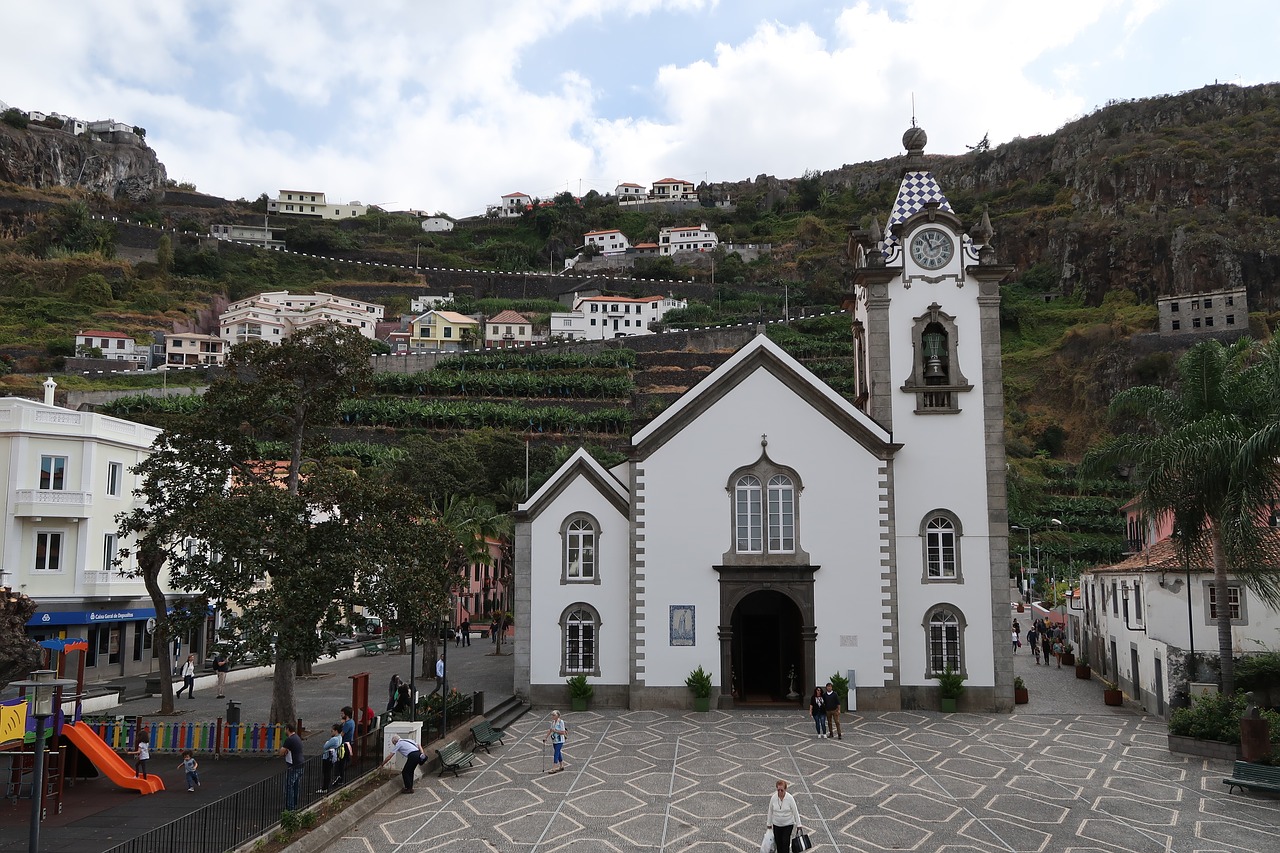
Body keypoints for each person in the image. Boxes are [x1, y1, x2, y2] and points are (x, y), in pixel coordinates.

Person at [766, 778, 802, 853]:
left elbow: (795, 811)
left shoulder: (790, 798)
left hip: (788, 824)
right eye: (778, 790)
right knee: (778, 843)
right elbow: (770, 811)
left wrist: (799, 825)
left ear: (785, 789)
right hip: (776, 824)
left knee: (785, 842)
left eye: (781, 790)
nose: (780, 792)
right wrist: (769, 824)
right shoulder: (773, 798)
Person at [278, 723, 304, 811]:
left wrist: (283, 751)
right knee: (296, 785)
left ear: (288, 729)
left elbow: (281, 752)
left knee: (289, 786)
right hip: (300, 763)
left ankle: (290, 807)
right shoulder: (297, 737)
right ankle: (295, 804)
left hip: (293, 765)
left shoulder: (289, 740)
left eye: (285, 729)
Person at [319, 724, 342, 793]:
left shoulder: (334, 739)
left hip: (327, 757)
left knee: (326, 772)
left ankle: (324, 788)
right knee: (328, 772)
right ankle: (325, 787)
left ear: (336, 731)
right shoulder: (340, 737)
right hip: (332, 756)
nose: (331, 732)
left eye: (332, 730)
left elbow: (325, 746)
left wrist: (327, 742)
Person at [335, 706, 355, 785]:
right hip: (348, 743)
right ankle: (341, 777)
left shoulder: (347, 724)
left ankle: (340, 778)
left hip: (344, 744)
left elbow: (341, 734)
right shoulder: (351, 722)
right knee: (343, 762)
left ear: (346, 715)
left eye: (342, 713)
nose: (341, 715)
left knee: (341, 762)